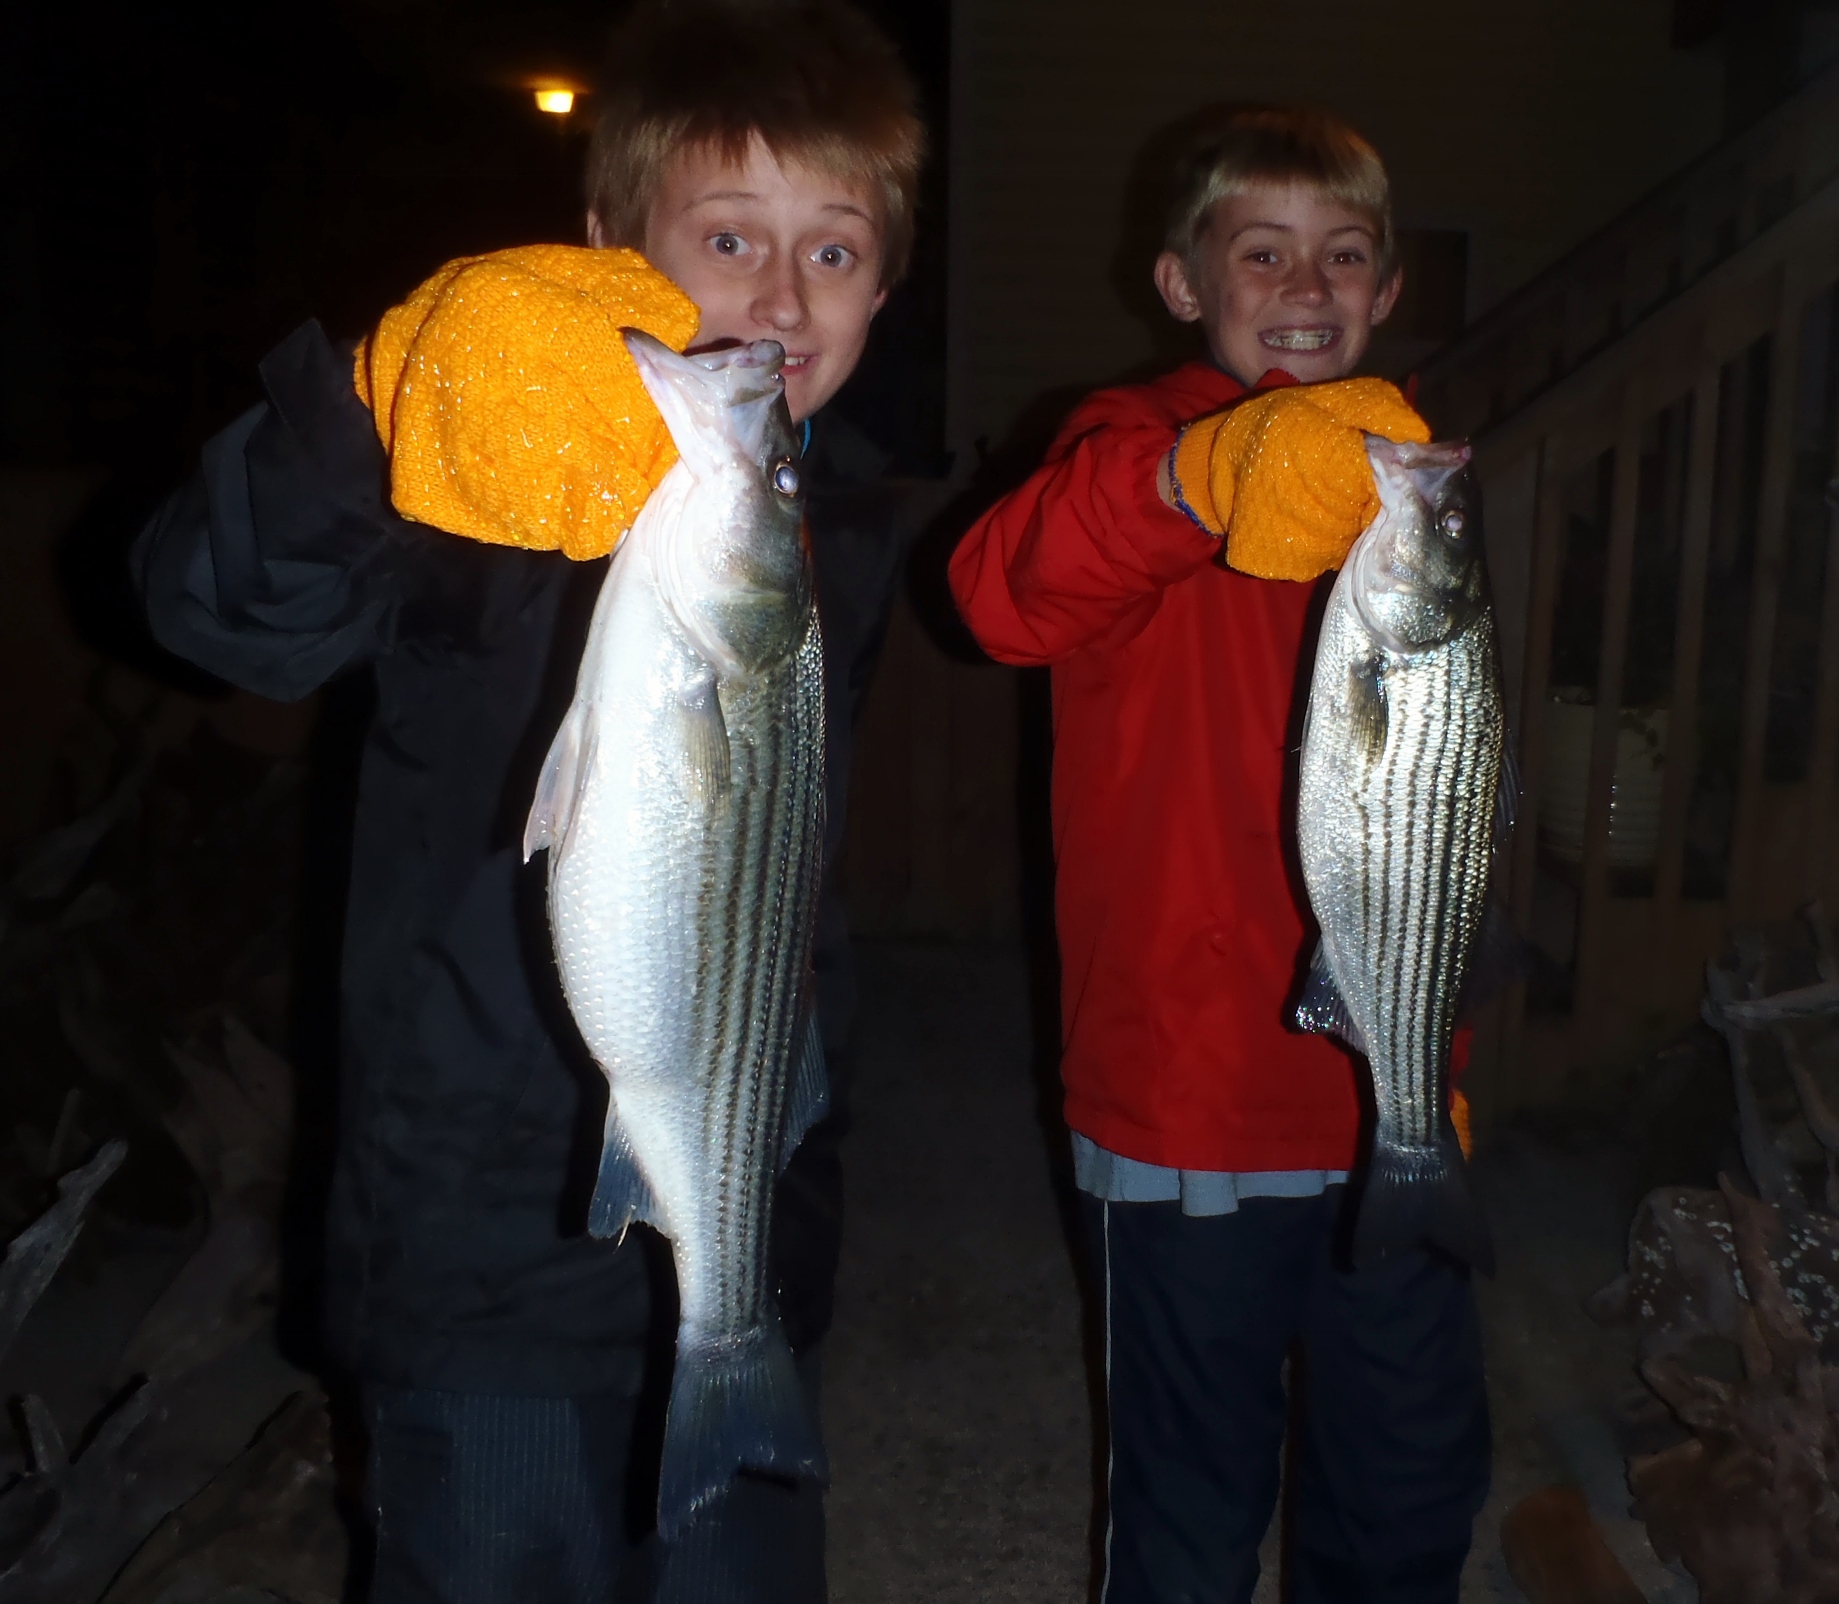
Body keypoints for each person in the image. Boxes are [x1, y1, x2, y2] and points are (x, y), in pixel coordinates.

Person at [130, 3, 925, 1600]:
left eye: (832, 253)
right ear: (606, 253)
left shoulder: (833, 529)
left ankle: (736, 1338)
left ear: (882, 289)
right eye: (726, 236)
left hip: (739, 1192)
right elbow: (212, 607)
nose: (779, 295)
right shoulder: (465, 487)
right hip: (475, 1246)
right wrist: (375, 404)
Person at [948, 106, 1490, 1603]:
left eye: (1343, 256)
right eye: (1261, 254)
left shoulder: (1402, 482)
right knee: (1187, 1511)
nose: (1304, 285)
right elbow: (999, 600)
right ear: (1184, 285)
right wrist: (1205, 478)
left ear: (1386, 294)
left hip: (1392, 1085)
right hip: (1185, 1101)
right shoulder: (1131, 450)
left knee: (1407, 1486)